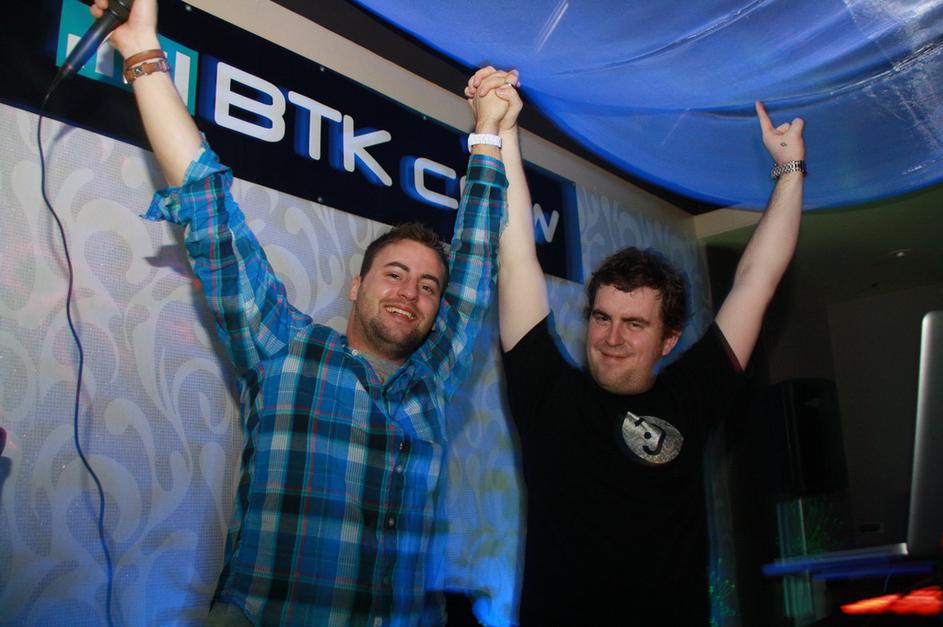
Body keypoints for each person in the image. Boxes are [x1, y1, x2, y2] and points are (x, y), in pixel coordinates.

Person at [92, 1, 522, 624]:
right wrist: (141, 52)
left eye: (429, 286)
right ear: (357, 286)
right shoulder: (283, 349)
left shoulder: (433, 381)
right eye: (394, 274)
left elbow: (477, 261)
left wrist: (487, 132)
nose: (410, 292)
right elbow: (209, 207)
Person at [467, 68, 805, 624]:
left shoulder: (693, 394)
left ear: (669, 339)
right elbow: (517, 256)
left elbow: (756, 280)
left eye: (634, 324)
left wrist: (789, 171)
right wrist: (504, 129)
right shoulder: (545, 391)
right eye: (602, 317)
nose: (612, 337)